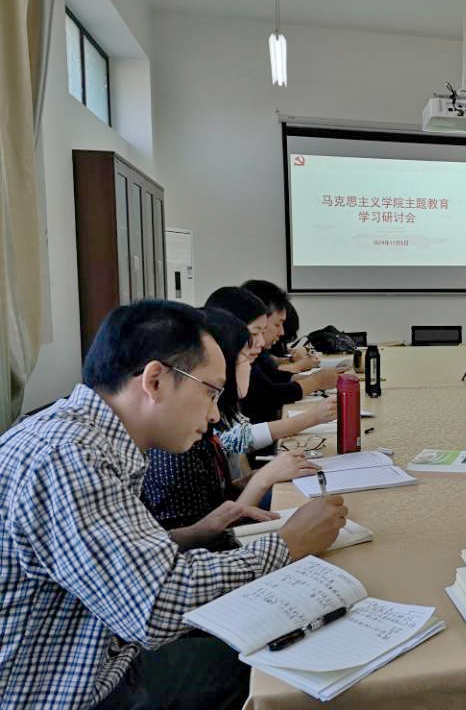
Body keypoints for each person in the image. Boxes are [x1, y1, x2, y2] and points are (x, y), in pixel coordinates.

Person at [0, 300, 347, 709]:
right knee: (278, 673)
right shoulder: (67, 456)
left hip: (100, 649)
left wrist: (190, 535)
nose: (215, 414)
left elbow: (106, 559)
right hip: (69, 688)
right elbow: (153, 608)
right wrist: (289, 543)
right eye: (210, 392)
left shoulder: (84, 436)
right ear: (155, 380)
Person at [142, 308, 334, 549]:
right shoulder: (178, 444)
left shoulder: (200, 424)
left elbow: (212, 505)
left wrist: (246, 481)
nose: (259, 346)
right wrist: (262, 479)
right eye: (247, 358)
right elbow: (208, 545)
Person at [238, 280, 343, 423]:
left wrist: (318, 379)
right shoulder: (238, 358)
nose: (282, 332)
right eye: (277, 324)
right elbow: (267, 394)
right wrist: (315, 381)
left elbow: (275, 376)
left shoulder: (255, 354)